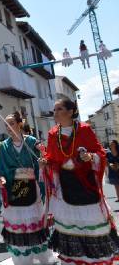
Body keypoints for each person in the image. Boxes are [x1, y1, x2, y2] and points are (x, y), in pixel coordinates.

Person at [44, 98, 119, 265]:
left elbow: (100, 153)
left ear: (71, 112)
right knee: (69, 225)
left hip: (86, 185)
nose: (55, 113)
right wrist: (46, 163)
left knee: (92, 225)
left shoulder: (84, 130)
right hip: (65, 187)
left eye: (59, 109)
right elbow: (51, 158)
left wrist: (90, 157)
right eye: (54, 110)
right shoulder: (52, 134)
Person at [0, 112, 55, 265]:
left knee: (34, 222)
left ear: (19, 124)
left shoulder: (31, 141)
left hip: (32, 187)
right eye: (6, 125)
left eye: (12, 123)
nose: (9, 127)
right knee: (19, 225)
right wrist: (1, 179)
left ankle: (42, 257)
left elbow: (43, 158)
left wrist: (42, 161)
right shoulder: (4, 146)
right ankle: (23, 260)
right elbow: (1, 169)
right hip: (14, 188)